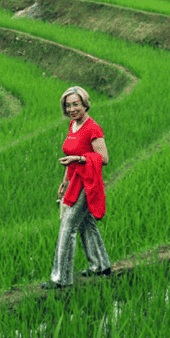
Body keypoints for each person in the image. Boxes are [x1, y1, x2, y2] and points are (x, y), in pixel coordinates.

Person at [42, 86, 111, 289]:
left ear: (85, 104)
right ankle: (101, 265)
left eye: (76, 104)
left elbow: (104, 158)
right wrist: (65, 180)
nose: (72, 108)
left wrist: (79, 159)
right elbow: (71, 155)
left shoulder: (93, 128)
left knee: (67, 226)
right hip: (74, 179)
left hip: (87, 182)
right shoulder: (73, 125)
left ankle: (61, 278)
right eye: (68, 105)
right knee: (85, 223)